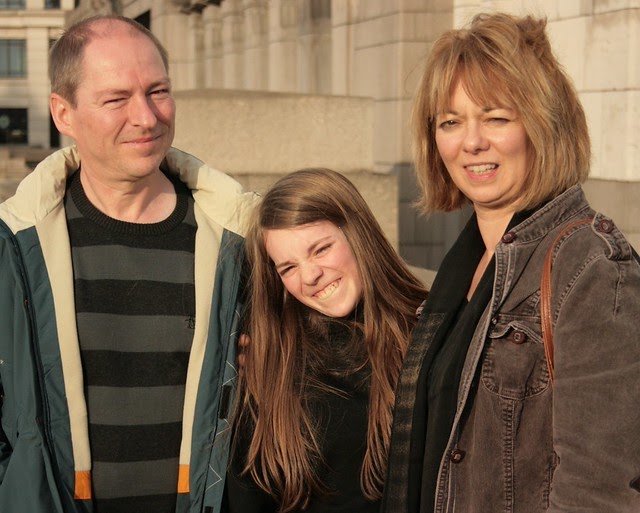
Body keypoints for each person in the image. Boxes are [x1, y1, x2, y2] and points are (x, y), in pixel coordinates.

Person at [381, 12, 640, 513]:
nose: (471, 142)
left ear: (543, 123)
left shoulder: (591, 267)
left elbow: (598, 491)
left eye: (496, 117)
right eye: (450, 122)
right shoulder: (465, 265)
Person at [0, 14, 257, 513]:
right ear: (63, 113)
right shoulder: (13, 250)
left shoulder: (240, 240)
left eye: (158, 91)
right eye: (116, 99)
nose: (146, 117)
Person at [223, 168, 428, 513]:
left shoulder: (430, 332)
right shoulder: (271, 366)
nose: (310, 275)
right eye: (288, 268)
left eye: (320, 249)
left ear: (357, 233)